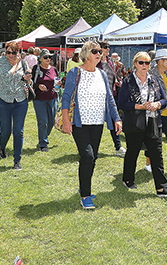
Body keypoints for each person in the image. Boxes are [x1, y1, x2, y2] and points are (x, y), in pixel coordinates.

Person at [61, 41, 122, 210]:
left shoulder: (102, 74)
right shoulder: (75, 72)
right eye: (95, 51)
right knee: (87, 156)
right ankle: (85, 196)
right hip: (80, 123)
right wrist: (66, 120)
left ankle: (84, 185)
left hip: (97, 123)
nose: (99, 53)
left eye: (99, 51)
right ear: (87, 54)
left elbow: (109, 98)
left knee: (93, 157)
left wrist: (116, 118)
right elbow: (66, 97)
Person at [118, 51, 167, 197]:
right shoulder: (128, 81)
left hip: (153, 122)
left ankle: (161, 188)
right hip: (134, 123)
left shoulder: (154, 80)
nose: (144, 65)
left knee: (157, 155)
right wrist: (140, 107)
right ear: (135, 64)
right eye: (141, 62)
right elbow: (122, 103)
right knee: (132, 153)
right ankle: (128, 179)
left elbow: (164, 100)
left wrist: (156, 104)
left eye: (147, 63)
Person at [0, 41, 32, 170]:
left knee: (18, 131)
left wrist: (28, 78)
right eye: (8, 52)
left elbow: (28, 79)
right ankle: (2, 148)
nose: (10, 55)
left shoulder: (24, 62)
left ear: (18, 52)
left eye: (13, 52)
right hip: (4, 101)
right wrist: (16, 64)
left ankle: (17, 160)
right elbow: (5, 77)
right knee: (5, 131)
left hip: (20, 101)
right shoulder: (1, 61)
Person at [96, 40, 126, 157]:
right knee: (97, 124)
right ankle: (94, 148)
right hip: (97, 97)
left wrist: (117, 83)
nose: (108, 49)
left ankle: (118, 147)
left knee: (115, 121)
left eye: (108, 47)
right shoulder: (95, 62)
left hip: (110, 97)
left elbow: (112, 77)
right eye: (105, 47)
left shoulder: (110, 62)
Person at [32, 48, 59, 152]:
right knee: (43, 121)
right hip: (39, 99)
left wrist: (58, 84)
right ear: (40, 59)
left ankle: (43, 135)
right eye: (46, 57)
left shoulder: (54, 69)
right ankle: (43, 144)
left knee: (51, 121)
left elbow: (56, 81)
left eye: (49, 57)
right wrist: (38, 86)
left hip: (52, 98)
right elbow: (31, 83)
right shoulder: (36, 68)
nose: (48, 59)